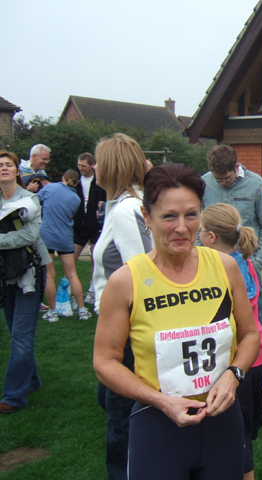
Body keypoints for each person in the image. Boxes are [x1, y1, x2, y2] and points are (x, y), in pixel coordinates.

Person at [93, 163, 259, 479]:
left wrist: (234, 375)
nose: (182, 227)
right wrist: (160, 401)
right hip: (158, 424)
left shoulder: (225, 267)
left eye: (191, 215)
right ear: (147, 216)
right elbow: (105, 362)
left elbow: (250, 334)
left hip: (221, 420)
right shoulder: (126, 281)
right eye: (169, 216)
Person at [92, 133, 152, 480]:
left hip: (126, 332)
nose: (94, 168)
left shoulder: (127, 210)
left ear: (111, 166)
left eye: (99, 161)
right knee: (114, 407)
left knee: (122, 421)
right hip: (118, 327)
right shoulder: (123, 206)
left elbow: (140, 271)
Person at [200, 202, 262, 480]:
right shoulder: (245, 262)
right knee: (240, 441)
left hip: (238, 363)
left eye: (200, 230)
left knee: (237, 443)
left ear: (210, 237)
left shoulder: (223, 271)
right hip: (255, 359)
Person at [0, 150, 51, 413]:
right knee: (15, 331)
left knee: (21, 335)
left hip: (29, 273)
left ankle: (13, 397)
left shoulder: (29, 199)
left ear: (17, 171)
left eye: (8, 165)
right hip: (5, 274)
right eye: (0, 165)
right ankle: (30, 380)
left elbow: (29, 236)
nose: (4, 168)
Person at [202, 144, 262, 274]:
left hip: (246, 264)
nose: (223, 183)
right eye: (218, 180)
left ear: (236, 167)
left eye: (227, 178)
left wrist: (257, 264)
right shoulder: (204, 183)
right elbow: (198, 224)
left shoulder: (257, 185)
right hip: (211, 266)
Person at [38, 169, 90, 322]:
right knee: (72, 273)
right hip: (65, 237)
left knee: (49, 274)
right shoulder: (76, 199)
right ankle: (82, 310)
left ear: (64, 177)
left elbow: (36, 200)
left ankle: (52, 312)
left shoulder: (49, 188)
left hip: (46, 235)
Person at [73, 152, 107, 306]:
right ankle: (71, 290)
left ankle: (93, 290)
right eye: (79, 165)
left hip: (95, 224)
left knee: (95, 257)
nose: (81, 168)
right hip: (79, 224)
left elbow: (105, 199)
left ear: (91, 166)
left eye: (83, 166)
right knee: (71, 257)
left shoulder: (99, 181)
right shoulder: (75, 180)